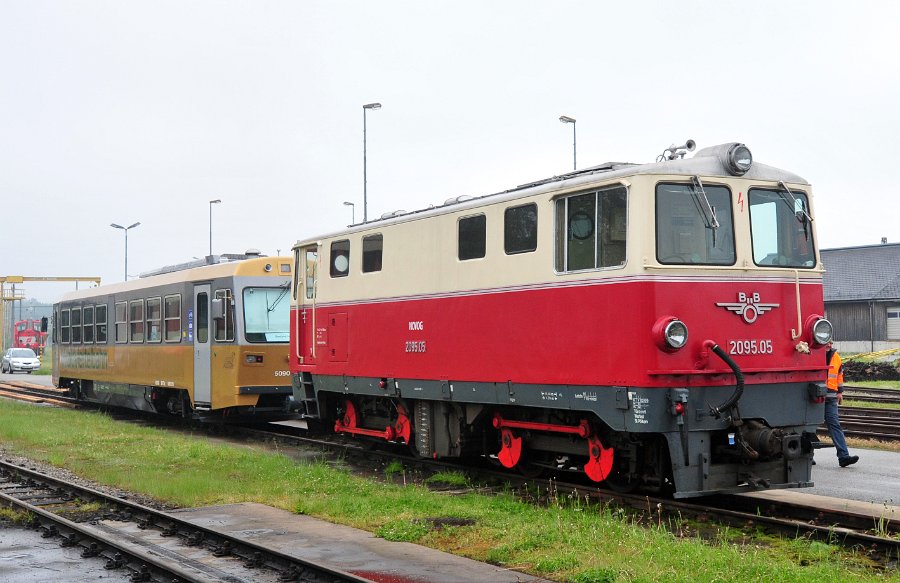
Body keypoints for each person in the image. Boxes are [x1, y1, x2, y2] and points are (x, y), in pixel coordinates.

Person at [824, 342, 859, 467]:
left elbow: (839, 375)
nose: (828, 344)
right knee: (808, 427)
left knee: (835, 425)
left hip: (831, 397)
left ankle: (843, 457)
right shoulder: (813, 353)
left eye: (830, 342)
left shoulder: (836, 356)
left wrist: (840, 392)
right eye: (826, 341)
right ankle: (806, 457)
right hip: (814, 397)